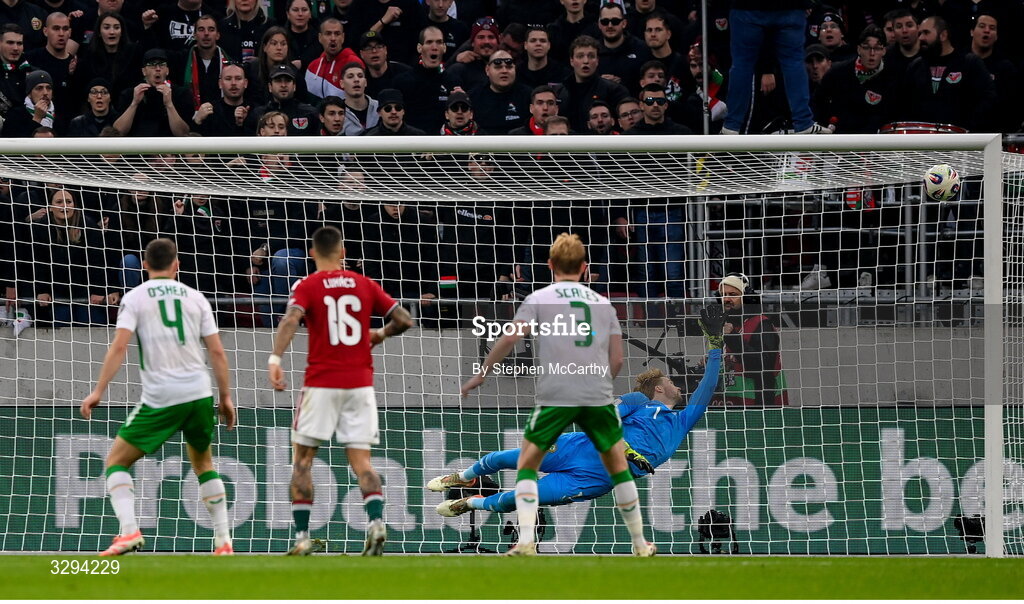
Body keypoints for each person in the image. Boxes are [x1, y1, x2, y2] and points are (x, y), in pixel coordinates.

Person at [460, 233, 656, 557]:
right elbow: (618, 359)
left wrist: (482, 373)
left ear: (550, 265)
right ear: (584, 267)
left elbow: (509, 338)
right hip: (596, 393)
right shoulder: (603, 304)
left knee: (527, 464)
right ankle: (639, 544)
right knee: (618, 467)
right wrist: (600, 386)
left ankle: (525, 542)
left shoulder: (539, 298)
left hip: (556, 394)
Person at [434, 304, 724, 518]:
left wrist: (715, 346)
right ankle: (463, 476)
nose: (678, 385)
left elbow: (707, 388)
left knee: (517, 500)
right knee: (505, 458)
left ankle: (469, 503)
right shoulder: (639, 402)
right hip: (575, 450)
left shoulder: (682, 421)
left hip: (592, 479)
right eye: (670, 381)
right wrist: (623, 446)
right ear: (659, 389)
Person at [80, 238, 236, 556]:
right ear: (177, 264)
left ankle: (129, 531)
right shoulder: (196, 299)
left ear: (144, 265)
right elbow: (217, 351)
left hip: (163, 394)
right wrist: (226, 397)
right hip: (199, 392)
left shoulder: (135, 298)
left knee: (116, 461)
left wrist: (98, 390)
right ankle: (223, 542)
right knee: (204, 464)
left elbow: (120, 346)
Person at [267, 225, 414, 556]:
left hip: (321, 381)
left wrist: (276, 357)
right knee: (363, 462)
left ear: (311, 254)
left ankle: (303, 537)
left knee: (302, 461)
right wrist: (377, 335)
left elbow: (291, 319)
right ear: (343, 252)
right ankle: (376, 524)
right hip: (359, 383)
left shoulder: (307, 284)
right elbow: (404, 319)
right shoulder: (364, 284)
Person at [722, 2, 831, 135]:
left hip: (747, 8)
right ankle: (803, 122)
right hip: (790, 8)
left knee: (742, 64)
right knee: (793, 62)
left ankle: (732, 126)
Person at [896, 15, 994, 132]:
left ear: (943, 35)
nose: (921, 38)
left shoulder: (970, 63)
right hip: (921, 140)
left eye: (926, 33)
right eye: (920, 33)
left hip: (962, 140)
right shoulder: (915, 66)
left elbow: (987, 100)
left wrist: (968, 130)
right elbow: (904, 105)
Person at [718, 272, 788, 407]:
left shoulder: (762, 324)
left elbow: (763, 365)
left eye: (733, 295)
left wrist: (732, 336)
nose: (726, 299)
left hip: (759, 403)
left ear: (746, 296)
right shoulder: (723, 324)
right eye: (723, 295)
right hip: (729, 401)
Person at [113, 48, 193, 137]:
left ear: (167, 70)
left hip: (169, 148)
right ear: (144, 71)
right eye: (152, 65)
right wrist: (134, 103)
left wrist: (169, 105)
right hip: (138, 147)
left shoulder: (180, 94)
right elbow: (118, 132)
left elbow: (183, 134)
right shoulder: (130, 94)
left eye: (161, 65)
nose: (157, 69)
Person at [393, 26, 448, 133]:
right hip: (412, 144)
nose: (434, 47)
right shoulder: (402, 82)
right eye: (429, 42)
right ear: (419, 48)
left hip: (444, 145)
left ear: (444, 48)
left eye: (439, 42)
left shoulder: (453, 81)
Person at [469, 49, 530, 134]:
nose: (504, 71)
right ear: (487, 70)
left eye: (509, 67)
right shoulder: (473, 97)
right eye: (498, 67)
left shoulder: (528, 96)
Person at [304, 18, 363, 101]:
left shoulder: (353, 63)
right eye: (328, 34)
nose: (333, 38)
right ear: (320, 37)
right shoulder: (312, 67)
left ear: (343, 37)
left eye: (337, 34)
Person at [1, 70, 56, 137]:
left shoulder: (59, 114)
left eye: (48, 88)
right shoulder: (15, 115)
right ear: (29, 93)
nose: (45, 92)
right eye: (39, 88)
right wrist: (37, 118)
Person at [358, 30, 410, 99]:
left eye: (378, 46)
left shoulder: (405, 73)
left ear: (385, 50)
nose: (374, 51)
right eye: (368, 48)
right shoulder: (360, 80)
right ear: (362, 54)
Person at [622, 83, 691, 134]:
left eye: (660, 101)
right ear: (641, 105)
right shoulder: (629, 136)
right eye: (650, 101)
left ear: (666, 105)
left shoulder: (682, 133)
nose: (655, 105)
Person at [518, 24, 567, 90]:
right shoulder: (517, 73)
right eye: (533, 40)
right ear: (525, 45)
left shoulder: (563, 73)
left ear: (549, 45)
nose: (538, 44)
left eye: (542, 41)